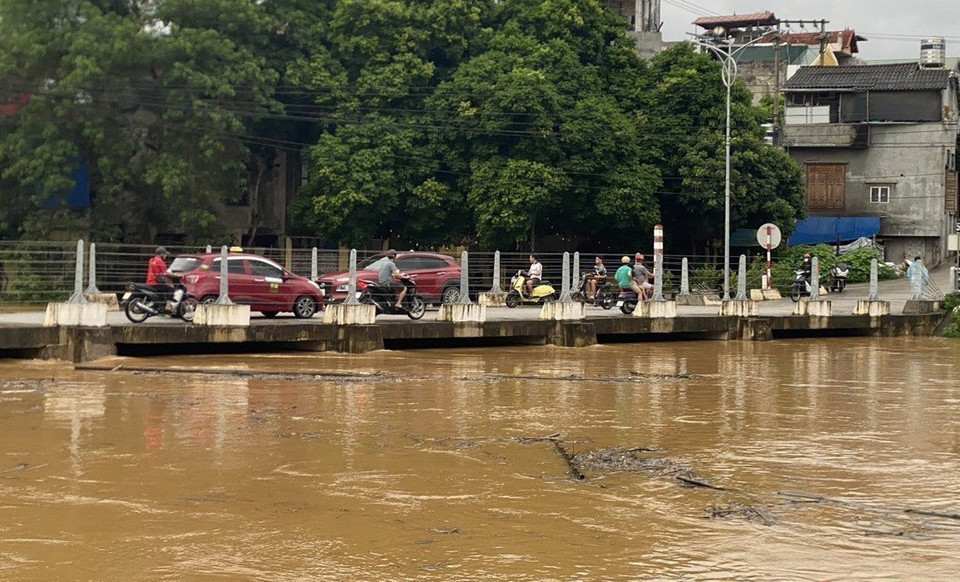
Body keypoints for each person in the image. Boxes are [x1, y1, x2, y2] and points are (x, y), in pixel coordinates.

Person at [146, 246, 182, 311]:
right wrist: (176, 275)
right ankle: (168, 306)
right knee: (171, 289)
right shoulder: (160, 261)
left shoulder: (151, 260)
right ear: (161, 254)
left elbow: (158, 271)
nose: (166, 256)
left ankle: (160, 305)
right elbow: (166, 273)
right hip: (155, 283)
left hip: (149, 281)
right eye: (165, 254)